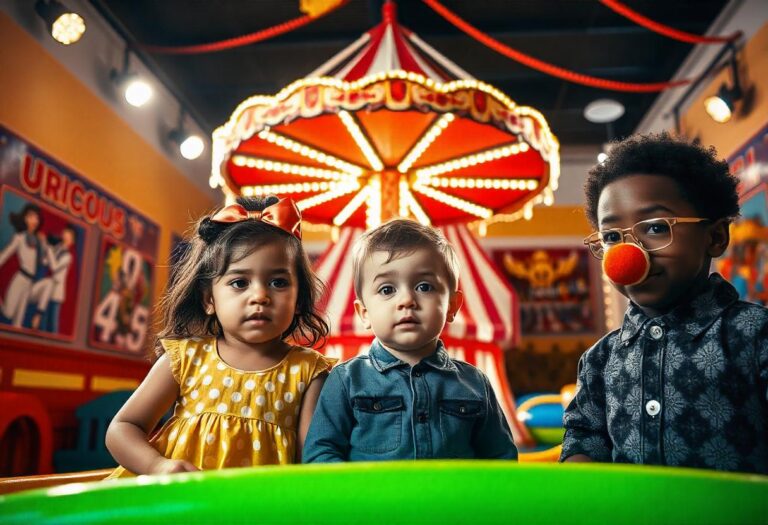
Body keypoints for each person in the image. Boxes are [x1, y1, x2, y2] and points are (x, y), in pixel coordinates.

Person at [561, 133, 768, 474]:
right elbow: (586, 434)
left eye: (656, 228)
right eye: (612, 237)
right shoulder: (601, 358)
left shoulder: (755, 336)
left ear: (715, 237)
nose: (629, 255)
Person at [105, 196, 334, 476]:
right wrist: (157, 465)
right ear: (208, 300)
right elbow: (123, 428)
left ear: (299, 300)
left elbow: (310, 461)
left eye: (278, 282)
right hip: (180, 505)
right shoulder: (185, 358)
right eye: (239, 283)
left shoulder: (309, 371)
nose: (260, 296)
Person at [303, 219, 518, 462]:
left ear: (452, 306)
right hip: (373, 500)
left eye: (424, 287)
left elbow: (501, 458)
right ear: (364, 313)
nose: (406, 300)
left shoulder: (474, 384)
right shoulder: (346, 381)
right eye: (387, 290)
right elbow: (320, 454)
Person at [0, 203, 53, 329]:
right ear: (25, 218)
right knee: (8, 313)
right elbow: (4, 255)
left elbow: (45, 263)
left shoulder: (39, 241)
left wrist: (45, 245)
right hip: (20, 279)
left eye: (36, 218)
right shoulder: (19, 238)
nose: (34, 220)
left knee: (18, 323)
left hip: (30, 283)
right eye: (31, 216)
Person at [39, 225, 76, 333]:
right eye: (64, 235)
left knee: (53, 322)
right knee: (43, 320)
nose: (64, 237)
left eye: (68, 237)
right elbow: (45, 262)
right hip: (47, 287)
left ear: (71, 241)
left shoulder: (68, 256)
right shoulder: (56, 248)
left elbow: (54, 267)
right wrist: (44, 244)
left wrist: (49, 248)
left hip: (56, 291)